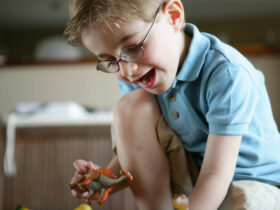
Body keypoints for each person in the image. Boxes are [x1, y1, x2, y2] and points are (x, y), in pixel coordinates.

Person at [64, 0, 280, 209]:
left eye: (133, 47)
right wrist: (106, 178)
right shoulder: (140, 77)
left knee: (245, 202)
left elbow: (216, 175)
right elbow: (136, 158)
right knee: (131, 105)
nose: (127, 71)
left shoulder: (226, 72)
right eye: (111, 61)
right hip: (195, 181)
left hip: (253, 181)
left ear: (174, 17)